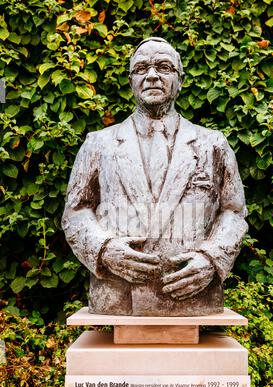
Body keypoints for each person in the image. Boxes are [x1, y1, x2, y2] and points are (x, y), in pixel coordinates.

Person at [62, 37, 248, 316]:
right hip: (119, 295)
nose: (151, 76)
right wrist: (103, 250)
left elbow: (233, 212)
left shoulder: (213, 144)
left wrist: (212, 258)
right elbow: (76, 212)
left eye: (163, 67)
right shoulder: (98, 144)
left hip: (193, 295)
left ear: (180, 80)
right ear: (131, 81)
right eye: (141, 69)